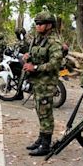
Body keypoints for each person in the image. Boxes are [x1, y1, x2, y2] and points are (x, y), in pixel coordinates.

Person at [23, 11, 63, 156]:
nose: (37, 26)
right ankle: (41, 138)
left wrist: (34, 68)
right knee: (40, 110)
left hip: (47, 83)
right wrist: (28, 57)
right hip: (37, 82)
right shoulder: (38, 39)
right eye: (36, 23)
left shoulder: (54, 42)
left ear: (49, 25)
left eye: (40, 24)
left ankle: (46, 144)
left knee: (46, 113)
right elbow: (37, 55)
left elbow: (54, 63)